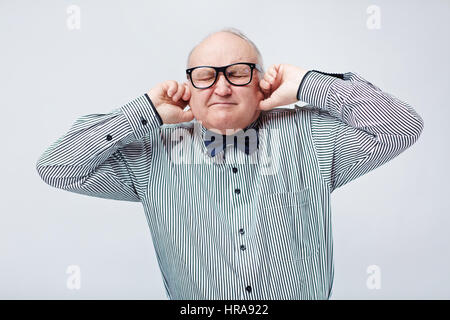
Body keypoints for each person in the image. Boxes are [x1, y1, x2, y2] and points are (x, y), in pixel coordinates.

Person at [36, 27, 424, 300]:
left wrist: (308, 83)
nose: (221, 87)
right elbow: (57, 166)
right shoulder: (152, 153)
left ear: (261, 83)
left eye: (237, 73)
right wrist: (144, 112)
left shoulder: (312, 136)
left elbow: (401, 126)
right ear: (189, 87)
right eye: (205, 76)